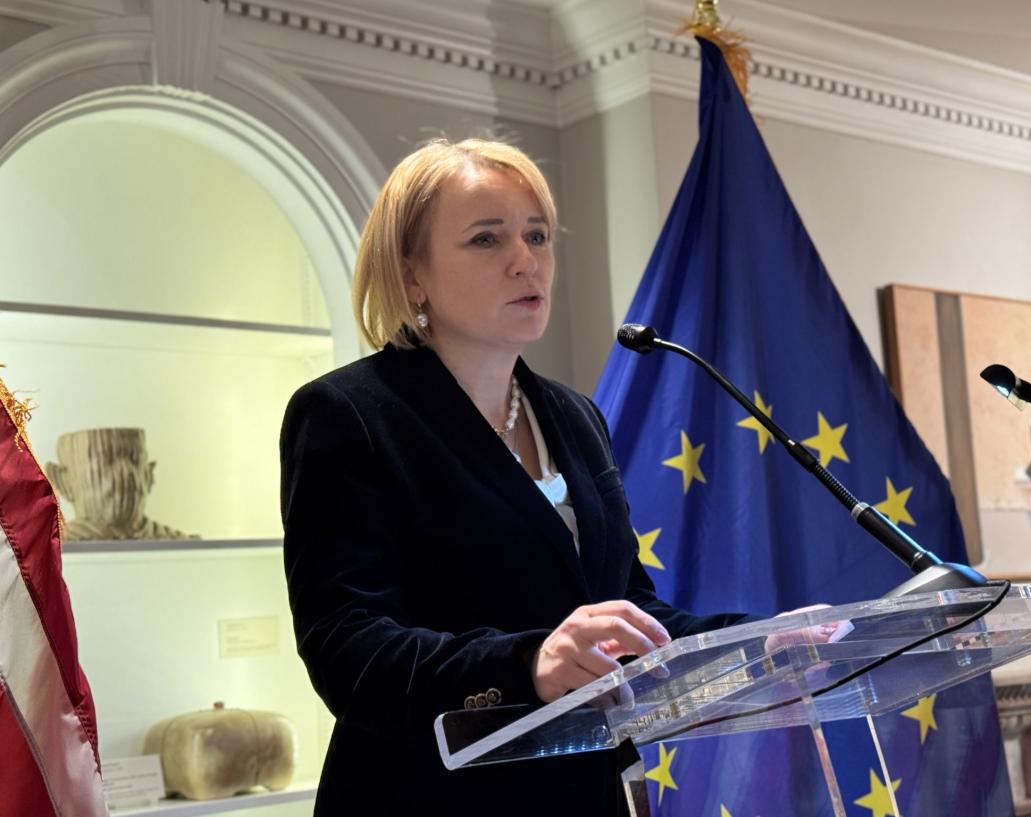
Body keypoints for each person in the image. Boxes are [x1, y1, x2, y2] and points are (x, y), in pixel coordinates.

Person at [280, 138, 833, 816]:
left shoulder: (574, 417)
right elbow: (348, 647)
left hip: (586, 792)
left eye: (537, 235)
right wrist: (524, 664)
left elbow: (627, 612)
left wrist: (754, 642)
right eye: (486, 239)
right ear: (411, 274)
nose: (526, 260)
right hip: (426, 798)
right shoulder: (348, 414)